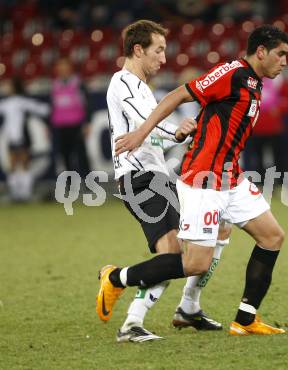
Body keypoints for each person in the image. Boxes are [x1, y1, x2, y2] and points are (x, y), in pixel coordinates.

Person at [105, 24, 288, 336]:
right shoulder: (231, 73)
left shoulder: (254, 83)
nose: (285, 61)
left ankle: (240, 318)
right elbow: (178, 96)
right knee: (189, 260)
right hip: (192, 178)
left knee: (270, 236)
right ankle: (118, 282)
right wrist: (149, 132)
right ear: (261, 52)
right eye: (281, 54)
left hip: (228, 176)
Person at [101, 20, 230, 343]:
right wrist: (175, 129)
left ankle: (177, 310)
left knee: (198, 243)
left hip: (156, 177)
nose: (163, 58)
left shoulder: (143, 88)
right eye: (158, 51)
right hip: (139, 178)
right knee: (175, 256)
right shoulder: (123, 82)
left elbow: (152, 135)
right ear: (138, 49)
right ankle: (118, 286)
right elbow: (148, 124)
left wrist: (180, 136)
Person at [0, 77, 50, 201]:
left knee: (22, 164)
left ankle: (24, 193)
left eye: (9, 86)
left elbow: (42, 109)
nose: (6, 88)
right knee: (14, 165)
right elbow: (43, 109)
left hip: (21, 137)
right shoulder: (9, 102)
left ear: (14, 88)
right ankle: (17, 193)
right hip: (13, 138)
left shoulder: (20, 101)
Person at [243, 73, 288, 181]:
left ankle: (282, 183)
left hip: (273, 127)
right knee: (257, 158)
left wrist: (279, 109)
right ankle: (259, 184)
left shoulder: (278, 79)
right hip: (255, 126)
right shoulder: (247, 78)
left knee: (279, 157)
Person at [50, 57, 91, 178]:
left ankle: (88, 182)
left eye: (65, 67)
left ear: (70, 68)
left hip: (76, 124)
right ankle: (70, 183)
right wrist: (50, 125)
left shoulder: (78, 83)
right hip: (60, 126)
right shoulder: (55, 84)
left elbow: (87, 104)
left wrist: (87, 123)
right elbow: (52, 106)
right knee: (65, 155)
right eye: (60, 67)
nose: (62, 70)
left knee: (81, 155)